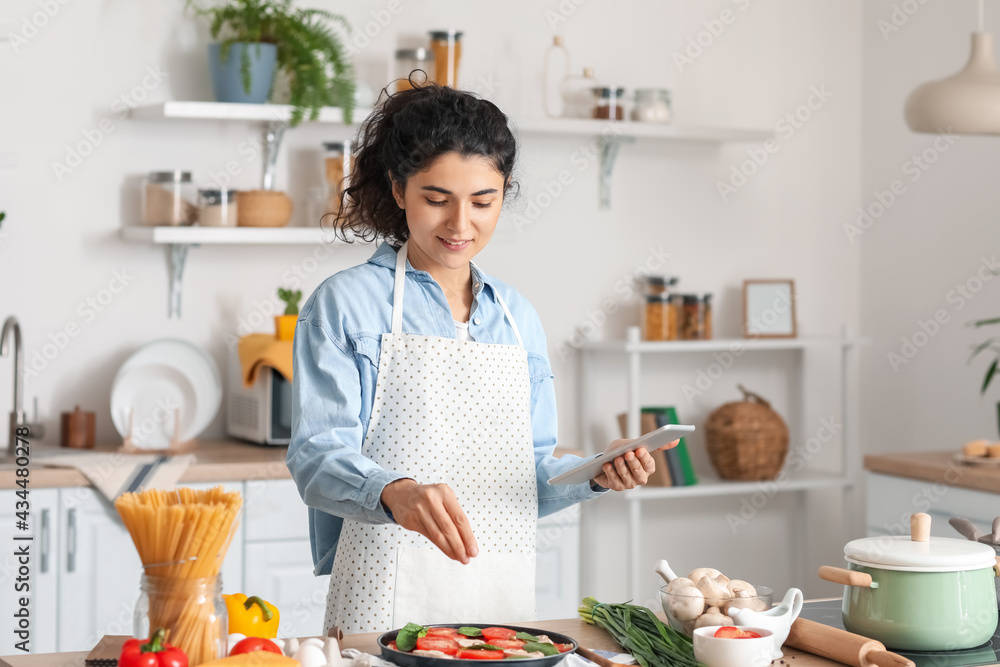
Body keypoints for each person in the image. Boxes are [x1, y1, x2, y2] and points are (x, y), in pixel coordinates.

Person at [287, 84, 676, 635]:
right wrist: (393, 491)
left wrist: (595, 472)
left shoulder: (518, 319)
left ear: (504, 193)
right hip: (380, 594)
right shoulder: (344, 304)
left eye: (483, 201)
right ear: (399, 190)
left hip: (496, 601)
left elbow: (527, 479)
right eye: (437, 198)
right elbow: (315, 457)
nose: (460, 224)